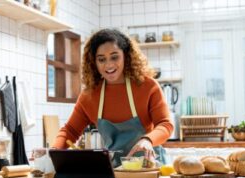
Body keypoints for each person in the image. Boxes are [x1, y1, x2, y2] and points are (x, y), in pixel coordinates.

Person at [52, 28, 173, 167]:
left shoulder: (148, 86)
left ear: (126, 56)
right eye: (101, 59)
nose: (109, 64)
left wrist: (148, 140)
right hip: (116, 170)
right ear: (94, 62)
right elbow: (70, 131)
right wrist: (53, 151)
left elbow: (165, 125)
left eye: (114, 57)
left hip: (150, 166)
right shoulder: (89, 95)